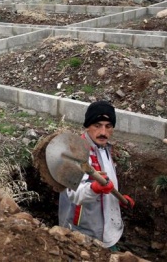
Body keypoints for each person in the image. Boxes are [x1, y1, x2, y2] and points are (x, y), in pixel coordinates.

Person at [58, 100, 135, 251]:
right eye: (97, 125)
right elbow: (74, 194)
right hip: (83, 233)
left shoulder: (104, 147)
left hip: (107, 228)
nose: (103, 132)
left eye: (108, 126)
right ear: (87, 126)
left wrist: (116, 198)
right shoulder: (75, 152)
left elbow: (108, 182)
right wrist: (94, 188)